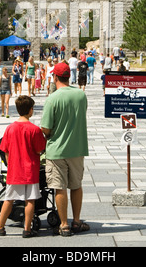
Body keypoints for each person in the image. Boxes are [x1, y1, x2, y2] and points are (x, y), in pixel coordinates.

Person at [41, 62, 90, 237]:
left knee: (59, 187)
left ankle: (64, 225)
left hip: (56, 150)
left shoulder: (52, 99)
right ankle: (76, 221)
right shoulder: (81, 95)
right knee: (76, 186)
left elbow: (45, 128)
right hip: (77, 148)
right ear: (69, 76)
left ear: (55, 77)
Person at [0, 96, 46, 238]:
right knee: (30, 200)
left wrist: (10, 164)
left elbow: (5, 150)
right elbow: (39, 150)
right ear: (30, 110)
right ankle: (27, 229)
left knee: (9, 199)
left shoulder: (10, 128)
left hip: (14, 171)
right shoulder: (35, 130)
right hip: (30, 170)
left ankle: (0, 227)